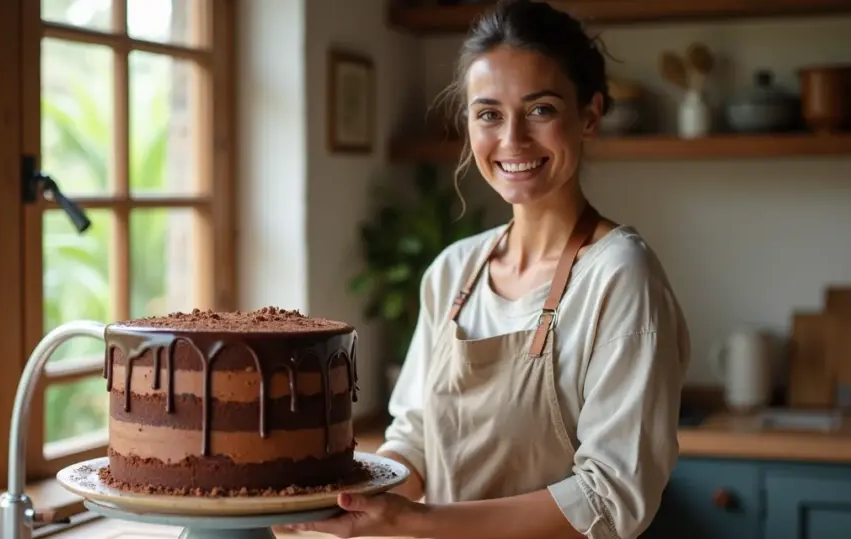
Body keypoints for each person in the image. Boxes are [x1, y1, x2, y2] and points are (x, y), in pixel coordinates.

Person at [289, 0, 691, 537]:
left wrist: (419, 520)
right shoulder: (455, 270)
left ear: (589, 115)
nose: (512, 140)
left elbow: (611, 498)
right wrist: (343, 508)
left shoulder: (619, 274)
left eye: (541, 109)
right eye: (489, 114)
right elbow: (414, 440)